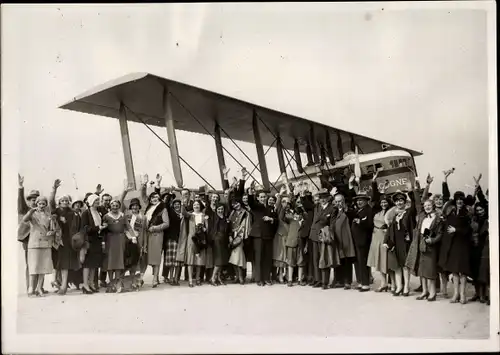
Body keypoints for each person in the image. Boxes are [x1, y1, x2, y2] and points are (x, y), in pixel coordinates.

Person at [405, 199, 444, 302]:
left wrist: (433, 240)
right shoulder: (422, 216)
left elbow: (440, 234)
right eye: (425, 205)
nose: (427, 207)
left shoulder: (438, 218)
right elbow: (418, 202)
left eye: (429, 205)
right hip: (420, 243)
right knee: (421, 269)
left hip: (431, 246)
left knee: (430, 270)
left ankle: (432, 293)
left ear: (433, 206)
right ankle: (424, 291)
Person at [439, 191, 473, 304]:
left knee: (462, 271)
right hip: (452, 245)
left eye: (461, 200)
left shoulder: (467, 214)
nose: (459, 201)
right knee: (454, 271)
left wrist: (456, 230)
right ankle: (456, 294)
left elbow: (468, 230)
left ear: (463, 202)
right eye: (458, 199)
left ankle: (463, 295)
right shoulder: (450, 213)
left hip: (462, 244)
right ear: (455, 201)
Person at [23, 196, 61, 297]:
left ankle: (39, 288)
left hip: (45, 243)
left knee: (43, 267)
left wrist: (51, 232)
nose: (41, 206)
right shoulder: (33, 214)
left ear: (45, 205)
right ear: (37, 204)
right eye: (40, 203)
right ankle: (31, 287)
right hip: (34, 243)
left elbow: (54, 228)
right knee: (33, 266)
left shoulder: (49, 215)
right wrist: (30, 212)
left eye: (43, 204)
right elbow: (24, 220)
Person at [49, 180, 81, 295]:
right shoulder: (56, 211)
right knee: (56, 263)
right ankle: (57, 282)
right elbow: (50, 201)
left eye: (66, 201)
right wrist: (54, 189)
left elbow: (74, 227)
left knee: (65, 264)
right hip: (56, 240)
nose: (64, 202)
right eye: (62, 201)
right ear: (59, 202)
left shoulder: (72, 213)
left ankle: (63, 286)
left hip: (67, 241)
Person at [384, 190, 417, 297]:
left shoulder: (408, 213)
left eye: (401, 200)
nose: (399, 203)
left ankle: (406, 287)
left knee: (405, 266)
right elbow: (389, 230)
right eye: (397, 201)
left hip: (405, 243)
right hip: (395, 243)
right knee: (397, 266)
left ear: (404, 202)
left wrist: (411, 193)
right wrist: (386, 242)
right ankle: (399, 287)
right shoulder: (394, 216)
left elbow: (414, 206)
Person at [17, 174, 46, 294]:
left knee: (41, 261)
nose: (35, 202)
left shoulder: (41, 210)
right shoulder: (25, 209)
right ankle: (30, 287)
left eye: (37, 199)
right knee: (31, 263)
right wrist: (21, 187)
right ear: (28, 201)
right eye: (33, 200)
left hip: (39, 238)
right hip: (27, 238)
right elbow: (20, 203)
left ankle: (40, 287)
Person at [101, 200, 137, 293]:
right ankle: (111, 282)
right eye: (113, 205)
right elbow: (103, 231)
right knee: (110, 261)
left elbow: (128, 226)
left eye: (117, 205)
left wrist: (133, 236)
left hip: (120, 239)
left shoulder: (122, 216)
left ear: (119, 206)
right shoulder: (106, 216)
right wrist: (103, 242)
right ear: (110, 206)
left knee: (119, 260)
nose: (115, 207)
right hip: (110, 239)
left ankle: (117, 282)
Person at [248, 183, 278, 286]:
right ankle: (259, 279)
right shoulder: (256, 207)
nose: (263, 198)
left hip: (268, 236)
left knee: (267, 257)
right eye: (261, 197)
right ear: (258, 198)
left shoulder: (270, 208)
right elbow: (251, 202)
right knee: (259, 257)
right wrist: (251, 192)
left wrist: (271, 219)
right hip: (258, 235)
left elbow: (276, 220)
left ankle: (266, 278)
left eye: (264, 197)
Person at [141, 181, 170, 288]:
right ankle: (141, 278)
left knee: (155, 257)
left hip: (156, 235)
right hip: (146, 234)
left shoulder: (163, 209)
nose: (154, 199)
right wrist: (144, 185)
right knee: (145, 256)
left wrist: (155, 228)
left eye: (157, 197)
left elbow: (167, 224)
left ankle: (154, 279)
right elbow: (143, 195)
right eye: (153, 197)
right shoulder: (148, 207)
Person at [367, 176, 393, 292]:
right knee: (378, 261)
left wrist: (387, 230)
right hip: (375, 237)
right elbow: (374, 197)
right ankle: (383, 283)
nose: (383, 204)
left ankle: (392, 283)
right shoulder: (376, 211)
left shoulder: (391, 212)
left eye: (385, 202)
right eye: (382, 202)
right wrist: (374, 182)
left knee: (387, 261)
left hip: (385, 237)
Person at [308, 188, 337, 288]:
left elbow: (332, 224)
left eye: (324, 197)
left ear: (328, 198)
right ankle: (318, 279)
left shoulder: (332, 209)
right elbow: (306, 204)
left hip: (324, 235)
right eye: (320, 198)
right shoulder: (317, 207)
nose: (322, 199)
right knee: (315, 259)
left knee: (323, 258)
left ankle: (325, 281)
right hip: (314, 235)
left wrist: (329, 235)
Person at [176, 200, 208, 287]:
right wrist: (183, 203)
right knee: (190, 260)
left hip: (201, 239)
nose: (196, 206)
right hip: (191, 238)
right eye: (194, 204)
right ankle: (190, 280)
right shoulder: (190, 215)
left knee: (199, 261)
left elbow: (207, 226)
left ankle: (197, 279)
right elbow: (183, 212)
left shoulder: (204, 215)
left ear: (200, 206)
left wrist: (205, 229)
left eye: (198, 204)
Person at [331, 192, 357, 289]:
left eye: (340, 201)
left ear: (344, 201)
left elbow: (352, 216)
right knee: (338, 259)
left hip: (346, 239)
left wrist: (346, 210)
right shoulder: (334, 211)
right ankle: (339, 280)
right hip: (336, 238)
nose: (338, 203)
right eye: (336, 201)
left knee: (347, 260)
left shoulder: (349, 210)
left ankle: (347, 281)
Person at [80, 194, 105, 293]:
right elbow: (85, 228)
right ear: (91, 202)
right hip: (89, 240)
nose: (97, 203)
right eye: (95, 201)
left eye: (98, 201)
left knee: (94, 263)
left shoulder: (98, 212)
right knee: (87, 263)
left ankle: (91, 283)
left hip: (97, 239)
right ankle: (85, 284)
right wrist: (99, 228)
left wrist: (102, 228)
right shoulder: (86, 213)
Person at [351, 191, 374, 292]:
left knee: (363, 262)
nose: (359, 202)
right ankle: (361, 281)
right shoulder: (358, 210)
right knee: (359, 262)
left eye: (361, 200)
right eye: (358, 200)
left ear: (366, 201)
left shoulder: (369, 210)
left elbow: (369, 224)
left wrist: (360, 222)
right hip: (358, 240)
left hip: (364, 240)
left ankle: (365, 283)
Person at [228, 198, 251, 285]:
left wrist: (241, 236)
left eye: (236, 203)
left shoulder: (245, 213)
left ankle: (240, 276)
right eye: (233, 204)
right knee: (233, 257)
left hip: (240, 237)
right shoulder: (232, 213)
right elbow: (229, 224)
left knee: (238, 256)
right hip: (232, 236)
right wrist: (230, 235)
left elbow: (247, 226)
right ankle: (237, 276)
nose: (235, 205)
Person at [209, 203, 231, 285]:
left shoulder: (226, 219)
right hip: (217, 240)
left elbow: (228, 230)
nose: (220, 210)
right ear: (216, 210)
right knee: (218, 260)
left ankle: (218, 278)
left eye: (222, 209)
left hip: (224, 241)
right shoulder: (214, 217)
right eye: (219, 209)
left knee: (222, 260)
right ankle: (212, 278)